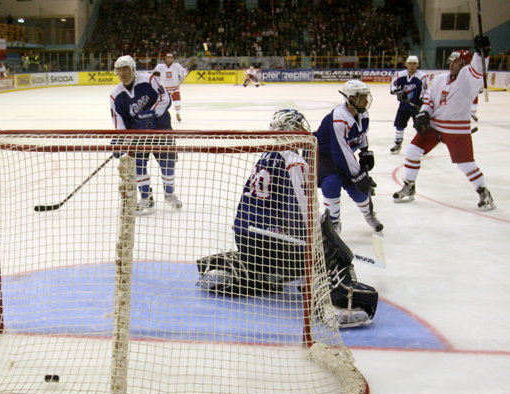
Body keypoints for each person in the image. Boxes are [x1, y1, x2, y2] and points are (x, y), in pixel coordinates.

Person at [195, 109, 378, 328]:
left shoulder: (268, 154)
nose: (304, 131)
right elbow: (303, 214)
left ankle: (252, 272)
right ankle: (332, 307)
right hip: (268, 239)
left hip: (246, 236)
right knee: (331, 254)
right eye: (299, 127)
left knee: (300, 252)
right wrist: (323, 240)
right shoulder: (294, 161)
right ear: (290, 131)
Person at [393, 36, 495, 211]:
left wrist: (481, 53)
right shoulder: (440, 78)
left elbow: (478, 69)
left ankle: (484, 193)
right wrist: (424, 114)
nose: (451, 64)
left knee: (465, 164)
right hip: (435, 125)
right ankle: (409, 185)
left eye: (456, 61)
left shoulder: (469, 79)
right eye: (451, 61)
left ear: (464, 64)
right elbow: (429, 100)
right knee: (412, 150)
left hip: (456, 128)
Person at [109, 54, 182, 215]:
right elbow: (119, 122)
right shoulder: (115, 95)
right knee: (138, 166)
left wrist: (152, 114)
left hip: (161, 130)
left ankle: (169, 194)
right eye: (119, 70)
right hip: (138, 136)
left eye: (126, 69)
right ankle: (146, 198)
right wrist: (119, 140)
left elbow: (165, 98)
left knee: (167, 163)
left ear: (133, 69)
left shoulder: (148, 80)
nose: (122, 73)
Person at [314, 80, 383, 233]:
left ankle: (369, 214)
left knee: (358, 191)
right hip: (324, 156)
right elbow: (342, 153)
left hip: (342, 154)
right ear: (351, 99)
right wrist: (358, 176)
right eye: (362, 97)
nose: (366, 100)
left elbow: (361, 133)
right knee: (332, 183)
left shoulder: (362, 113)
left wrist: (365, 150)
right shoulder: (339, 119)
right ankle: (333, 223)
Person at [389, 55, 428, 154]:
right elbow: (393, 84)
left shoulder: (422, 76)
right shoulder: (400, 75)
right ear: (406, 64)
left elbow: (427, 89)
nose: (411, 66)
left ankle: (421, 145)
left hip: (417, 106)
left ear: (417, 65)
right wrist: (397, 92)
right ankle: (398, 143)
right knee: (399, 124)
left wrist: (423, 100)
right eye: (410, 63)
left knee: (420, 125)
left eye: (414, 64)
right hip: (404, 105)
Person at [152, 53, 188, 122]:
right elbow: (154, 73)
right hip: (164, 88)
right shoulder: (160, 66)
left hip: (174, 88)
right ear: (165, 58)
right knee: (162, 103)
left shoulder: (177, 66)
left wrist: (186, 72)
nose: (169, 59)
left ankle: (178, 114)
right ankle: (160, 115)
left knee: (177, 102)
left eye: (170, 57)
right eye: (168, 57)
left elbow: (183, 73)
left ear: (173, 59)